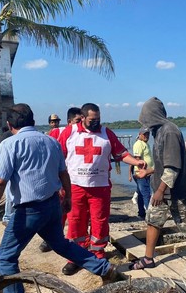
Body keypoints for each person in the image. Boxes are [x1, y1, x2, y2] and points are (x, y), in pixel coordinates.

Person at [0, 103, 119, 293]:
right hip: (52, 205)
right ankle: (105, 269)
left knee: (6, 258)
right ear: (33, 121)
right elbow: (64, 173)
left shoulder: (10, 144)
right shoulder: (51, 141)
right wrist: (69, 198)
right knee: (62, 245)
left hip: (28, 210)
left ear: (9, 124)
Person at [130, 97, 186, 272]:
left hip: (175, 191)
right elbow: (163, 164)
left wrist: (159, 191)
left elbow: (173, 167)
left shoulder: (169, 132)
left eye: (146, 118)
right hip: (161, 188)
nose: (145, 123)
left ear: (153, 115)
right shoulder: (158, 132)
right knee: (153, 221)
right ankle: (148, 258)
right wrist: (149, 171)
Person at [58, 103, 146, 275]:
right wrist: (58, 184)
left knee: (100, 221)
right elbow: (58, 157)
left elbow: (121, 153)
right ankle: (75, 257)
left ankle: (98, 254)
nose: (96, 123)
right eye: (92, 120)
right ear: (82, 118)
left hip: (100, 187)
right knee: (75, 221)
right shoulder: (70, 132)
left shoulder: (106, 134)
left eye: (98, 119)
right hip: (75, 186)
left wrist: (137, 162)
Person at [38, 106, 83, 253]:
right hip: (62, 179)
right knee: (60, 211)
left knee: (76, 213)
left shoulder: (86, 135)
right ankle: (52, 238)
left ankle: (74, 241)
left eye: (82, 120)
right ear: (70, 121)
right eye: (77, 120)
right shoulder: (58, 133)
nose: (80, 123)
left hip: (78, 181)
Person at [128, 127, 154, 220]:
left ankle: (141, 213)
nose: (146, 136)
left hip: (147, 173)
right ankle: (149, 215)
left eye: (148, 134)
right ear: (140, 134)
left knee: (140, 193)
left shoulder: (145, 144)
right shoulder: (138, 144)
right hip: (141, 173)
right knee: (146, 193)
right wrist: (142, 171)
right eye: (144, 134)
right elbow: (137, 159)